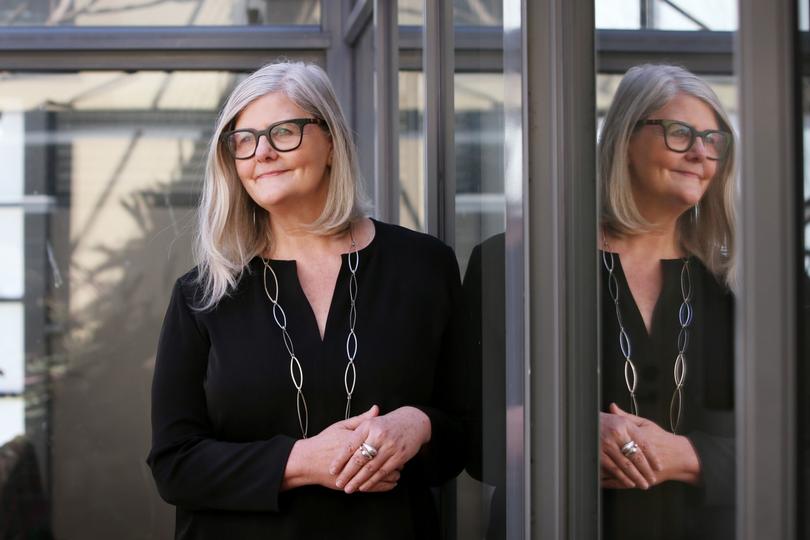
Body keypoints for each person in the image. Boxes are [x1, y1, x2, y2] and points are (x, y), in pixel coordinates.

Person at [146, 61, 467, 539]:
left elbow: (468, 431)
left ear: (332, 142)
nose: (263, 153)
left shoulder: (424, 266)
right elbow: (174, 464)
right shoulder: (203, 293)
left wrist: (417, 424)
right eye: (245, 140)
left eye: (284, 132)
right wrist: (300, 460)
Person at [598, 64, 736, 540]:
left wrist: (690, 457)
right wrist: (569, 432)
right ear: (625, 139)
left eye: (714, 140)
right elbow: (479, 428)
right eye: (681, 133)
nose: (700, 152)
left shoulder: (744, 286)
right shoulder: (523, 266)